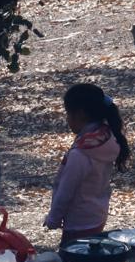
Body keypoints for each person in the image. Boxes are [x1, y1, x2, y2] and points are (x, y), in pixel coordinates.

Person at [44, 83, 130, 245]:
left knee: (74, 260)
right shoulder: (107, 136)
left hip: (78, 220)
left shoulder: (80, 153)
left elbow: (66, 191)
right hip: (97, 214)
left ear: (80, 114)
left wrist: (53, 219)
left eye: (68, 113)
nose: (67, 119)